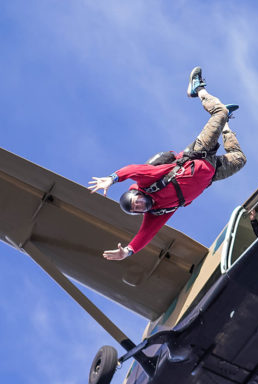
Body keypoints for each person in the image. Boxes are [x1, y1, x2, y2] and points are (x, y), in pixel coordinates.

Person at [87, 67, 247, 260]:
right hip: (212, 172)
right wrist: (128, 252)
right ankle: (226, 124)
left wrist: (111, 179)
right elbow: (144, 235)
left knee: (219, 112)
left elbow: (131, 170)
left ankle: (197, 89)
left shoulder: (147, 184)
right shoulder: (157, 213)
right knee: (239, 158)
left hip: (198, 154)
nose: (139, 206)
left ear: (136, 193)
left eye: (136, 202)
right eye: (137, 209)